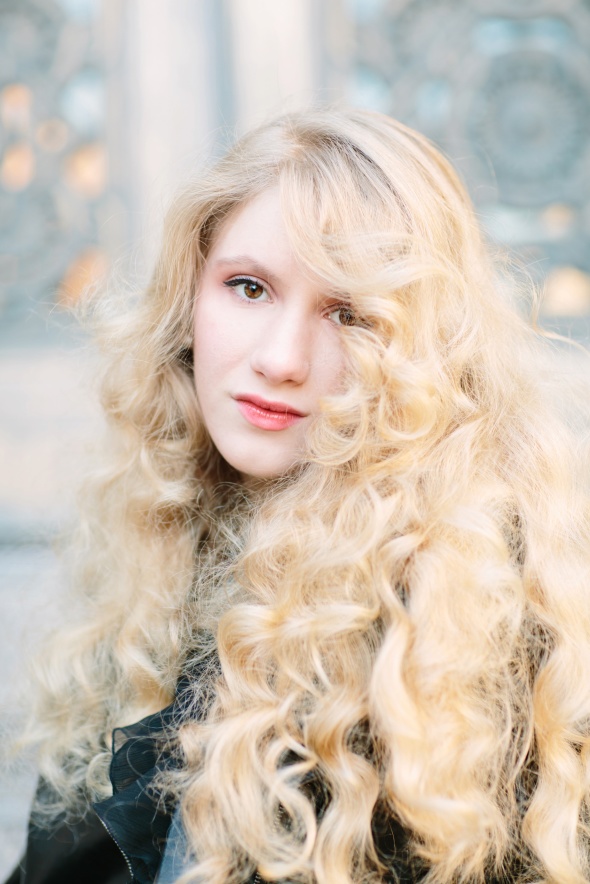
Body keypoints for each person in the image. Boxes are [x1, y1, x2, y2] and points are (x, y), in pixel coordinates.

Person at [6, 105, 590, 884]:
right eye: (248, 288)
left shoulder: (468, 621)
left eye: (349, 313)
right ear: (189, 303)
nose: (281, 359)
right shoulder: (168, 549)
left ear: (423, 350)